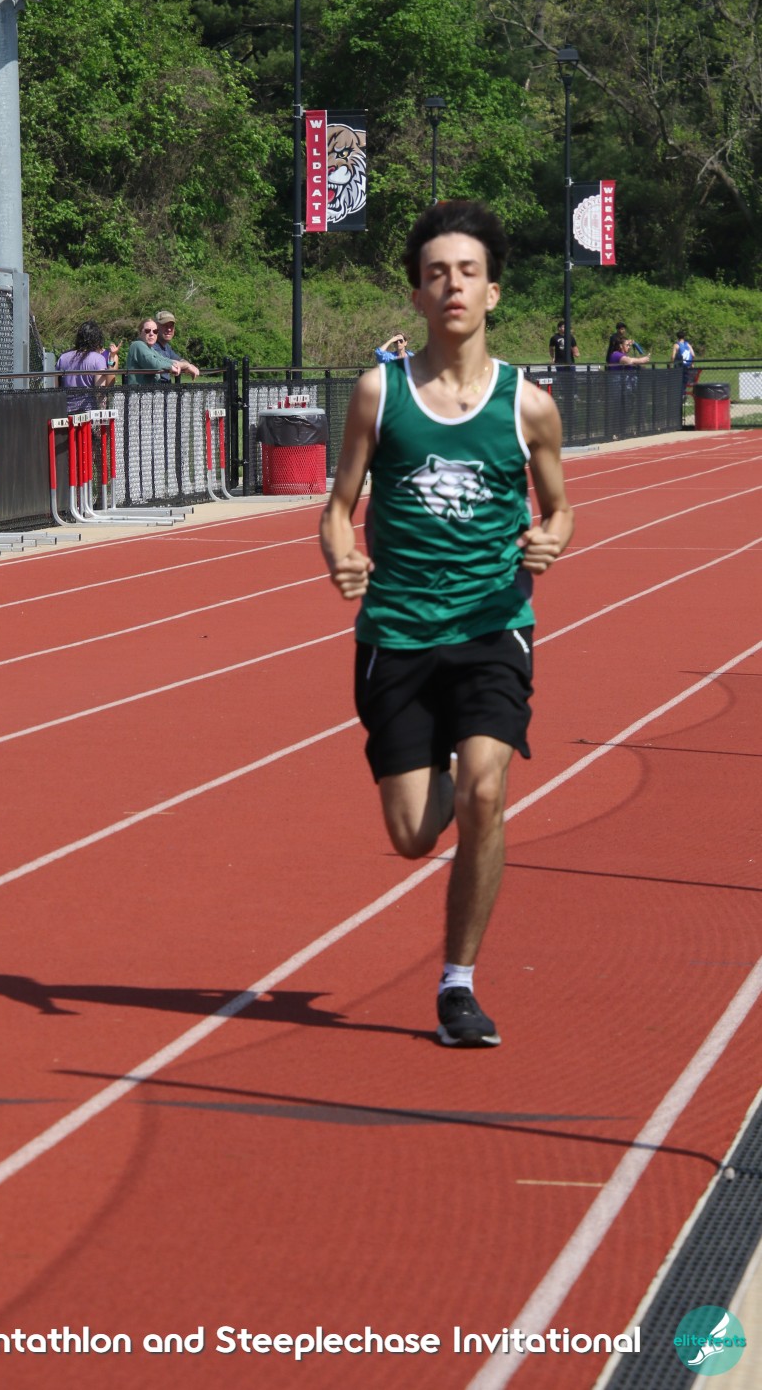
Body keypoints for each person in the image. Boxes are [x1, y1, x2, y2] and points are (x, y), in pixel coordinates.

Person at [319, 199, 574, 1049]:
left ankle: (458, 985)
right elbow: (338, 506)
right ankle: (451, 780)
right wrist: (341, 555)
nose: (453, 286)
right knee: (410, 837)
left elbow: (561, 507)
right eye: (437, 274)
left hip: (492, 627)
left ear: (492, 292)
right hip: (396, 633)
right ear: (417, 295)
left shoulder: (528, 406)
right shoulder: (379, 393)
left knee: (485, 793)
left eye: (468, 272)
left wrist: (551, 538)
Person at [56, 320, 118, 413]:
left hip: (66, 411)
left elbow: (56, 388)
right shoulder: (98, 359)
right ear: (97, 339)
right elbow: (100, 391)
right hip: (89, 412)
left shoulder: (63, 357)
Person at [124, 318, 199, 384]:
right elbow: (153, 363)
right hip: (138, 393)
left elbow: (165, 360)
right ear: (140, 332)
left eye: (155, 331)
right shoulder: (137, 345)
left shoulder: (150, 349)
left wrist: (187, 365)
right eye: (147, 331)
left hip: (149, 393)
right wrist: (170, 367)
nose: (151, 334)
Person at [155, 310, 200, 376]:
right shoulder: (151, 346)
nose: (169, 329)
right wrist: (187, 366)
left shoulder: (167, 347)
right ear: (156, 327)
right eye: (165, 325)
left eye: (171, 326)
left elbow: (180, 360)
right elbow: (168, 363)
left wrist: (187, 365)